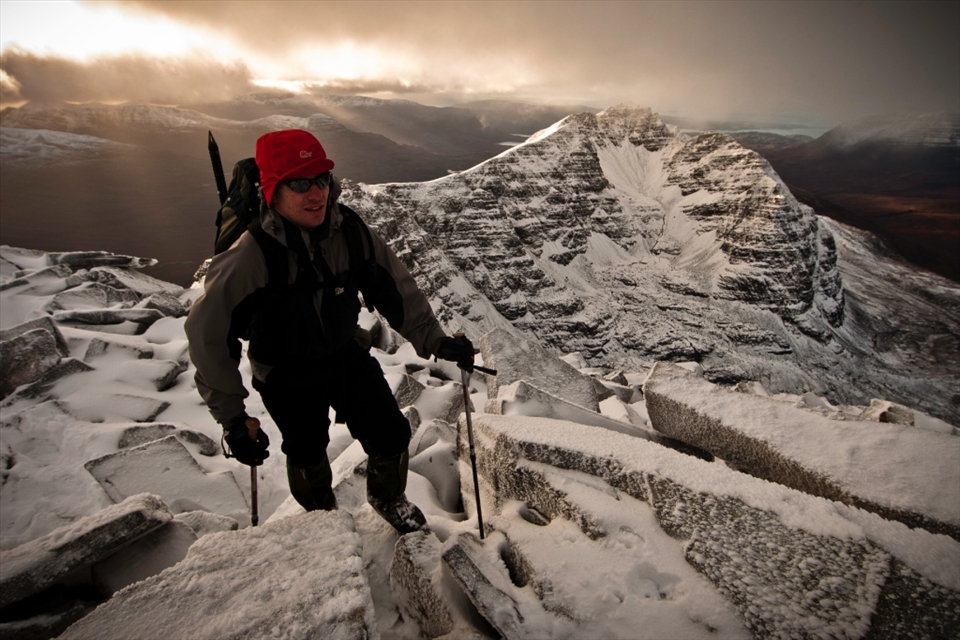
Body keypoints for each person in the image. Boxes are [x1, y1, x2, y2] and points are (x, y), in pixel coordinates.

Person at [185, 129, 475, 534]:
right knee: (306, 450)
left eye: (321, 179)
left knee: (390, 433)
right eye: (300, 183)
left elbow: (397, 290)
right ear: (272, 190)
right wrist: (233, 420)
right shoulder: (251, 255)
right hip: (284, 369)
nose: (316, 193)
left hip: (343, 352)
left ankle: (388, 497)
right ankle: (323, 521)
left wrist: (436, 341)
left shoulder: (350, 233)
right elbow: (208, 337)